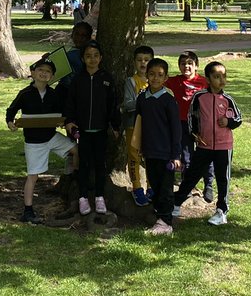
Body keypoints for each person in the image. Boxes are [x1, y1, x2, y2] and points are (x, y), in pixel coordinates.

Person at [5, 57, 74, 224]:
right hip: (34, 142)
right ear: (33, 73)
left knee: (76, 150)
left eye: (48, 72)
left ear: (52, 76)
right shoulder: (25, 94)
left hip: (51, 137)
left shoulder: (53, 94)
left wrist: (64, 122)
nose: (44, 73)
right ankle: (27, 210)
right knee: (33, 176)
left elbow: (61, 112)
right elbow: (12, 110)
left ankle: (73, 174)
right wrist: (10, 122)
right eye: (41, 70)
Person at [173, 61, 241, 226]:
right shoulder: (199, 97)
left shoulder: (227, 99)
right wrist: (193, 133)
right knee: (192, 175)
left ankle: (221, 212)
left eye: (224, 76)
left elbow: (238, 118)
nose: (221, 80)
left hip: (224, 147)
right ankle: (175, 204)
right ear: (208, 79)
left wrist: (228, 121)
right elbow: (191, 116)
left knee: (222, 178)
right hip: (204, 145)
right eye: (217, 77)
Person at [62, 40, 120, 215]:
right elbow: (70, 103)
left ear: (101, 58)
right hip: (82, 133)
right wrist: (70, 122)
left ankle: (100, 197)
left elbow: (113, 105)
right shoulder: (78, 80)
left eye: (95, 56)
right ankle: (82, 198)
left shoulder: (107, 79)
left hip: (101, 131)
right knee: (83, 165)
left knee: (100, 165)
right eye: (88, 56)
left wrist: (115, 125)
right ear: (83, 59)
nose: (92, 59)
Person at [134, 58, 182, 235]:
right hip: (149, 151)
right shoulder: (142, 98)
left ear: (165, 78)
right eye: (152, 74)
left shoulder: (168, 100)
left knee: (165, 188)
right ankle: (158, 215)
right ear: (146, 75)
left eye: (160, 75)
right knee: (154, 184)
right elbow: (139, 123)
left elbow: (176, 129)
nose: (155, 78)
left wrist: (176, 155)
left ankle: (166, 222)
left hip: (166, 153)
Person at [165, 51, 213, 199]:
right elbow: (157, 80)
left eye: (190, 63)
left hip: (201, 125)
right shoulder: (175, 81)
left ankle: (209, 185)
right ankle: (187, 186)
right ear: (179, 66)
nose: (186, 66)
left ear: (196, 66)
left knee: (206, 155)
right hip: (182, 125)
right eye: (183, 63)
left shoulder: (205, 82)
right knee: (187, 157)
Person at [121, 45, 155, 206]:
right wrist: (144, 100)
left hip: (151, 127)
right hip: (132, 125)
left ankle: (151, 187)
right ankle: (136, 188)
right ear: (134, 62)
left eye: (147, 60)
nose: (143, 63)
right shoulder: (131, 81)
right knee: (134, 157)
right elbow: (127, 104)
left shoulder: (156, 81)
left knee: (150, 157)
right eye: (140, 60)